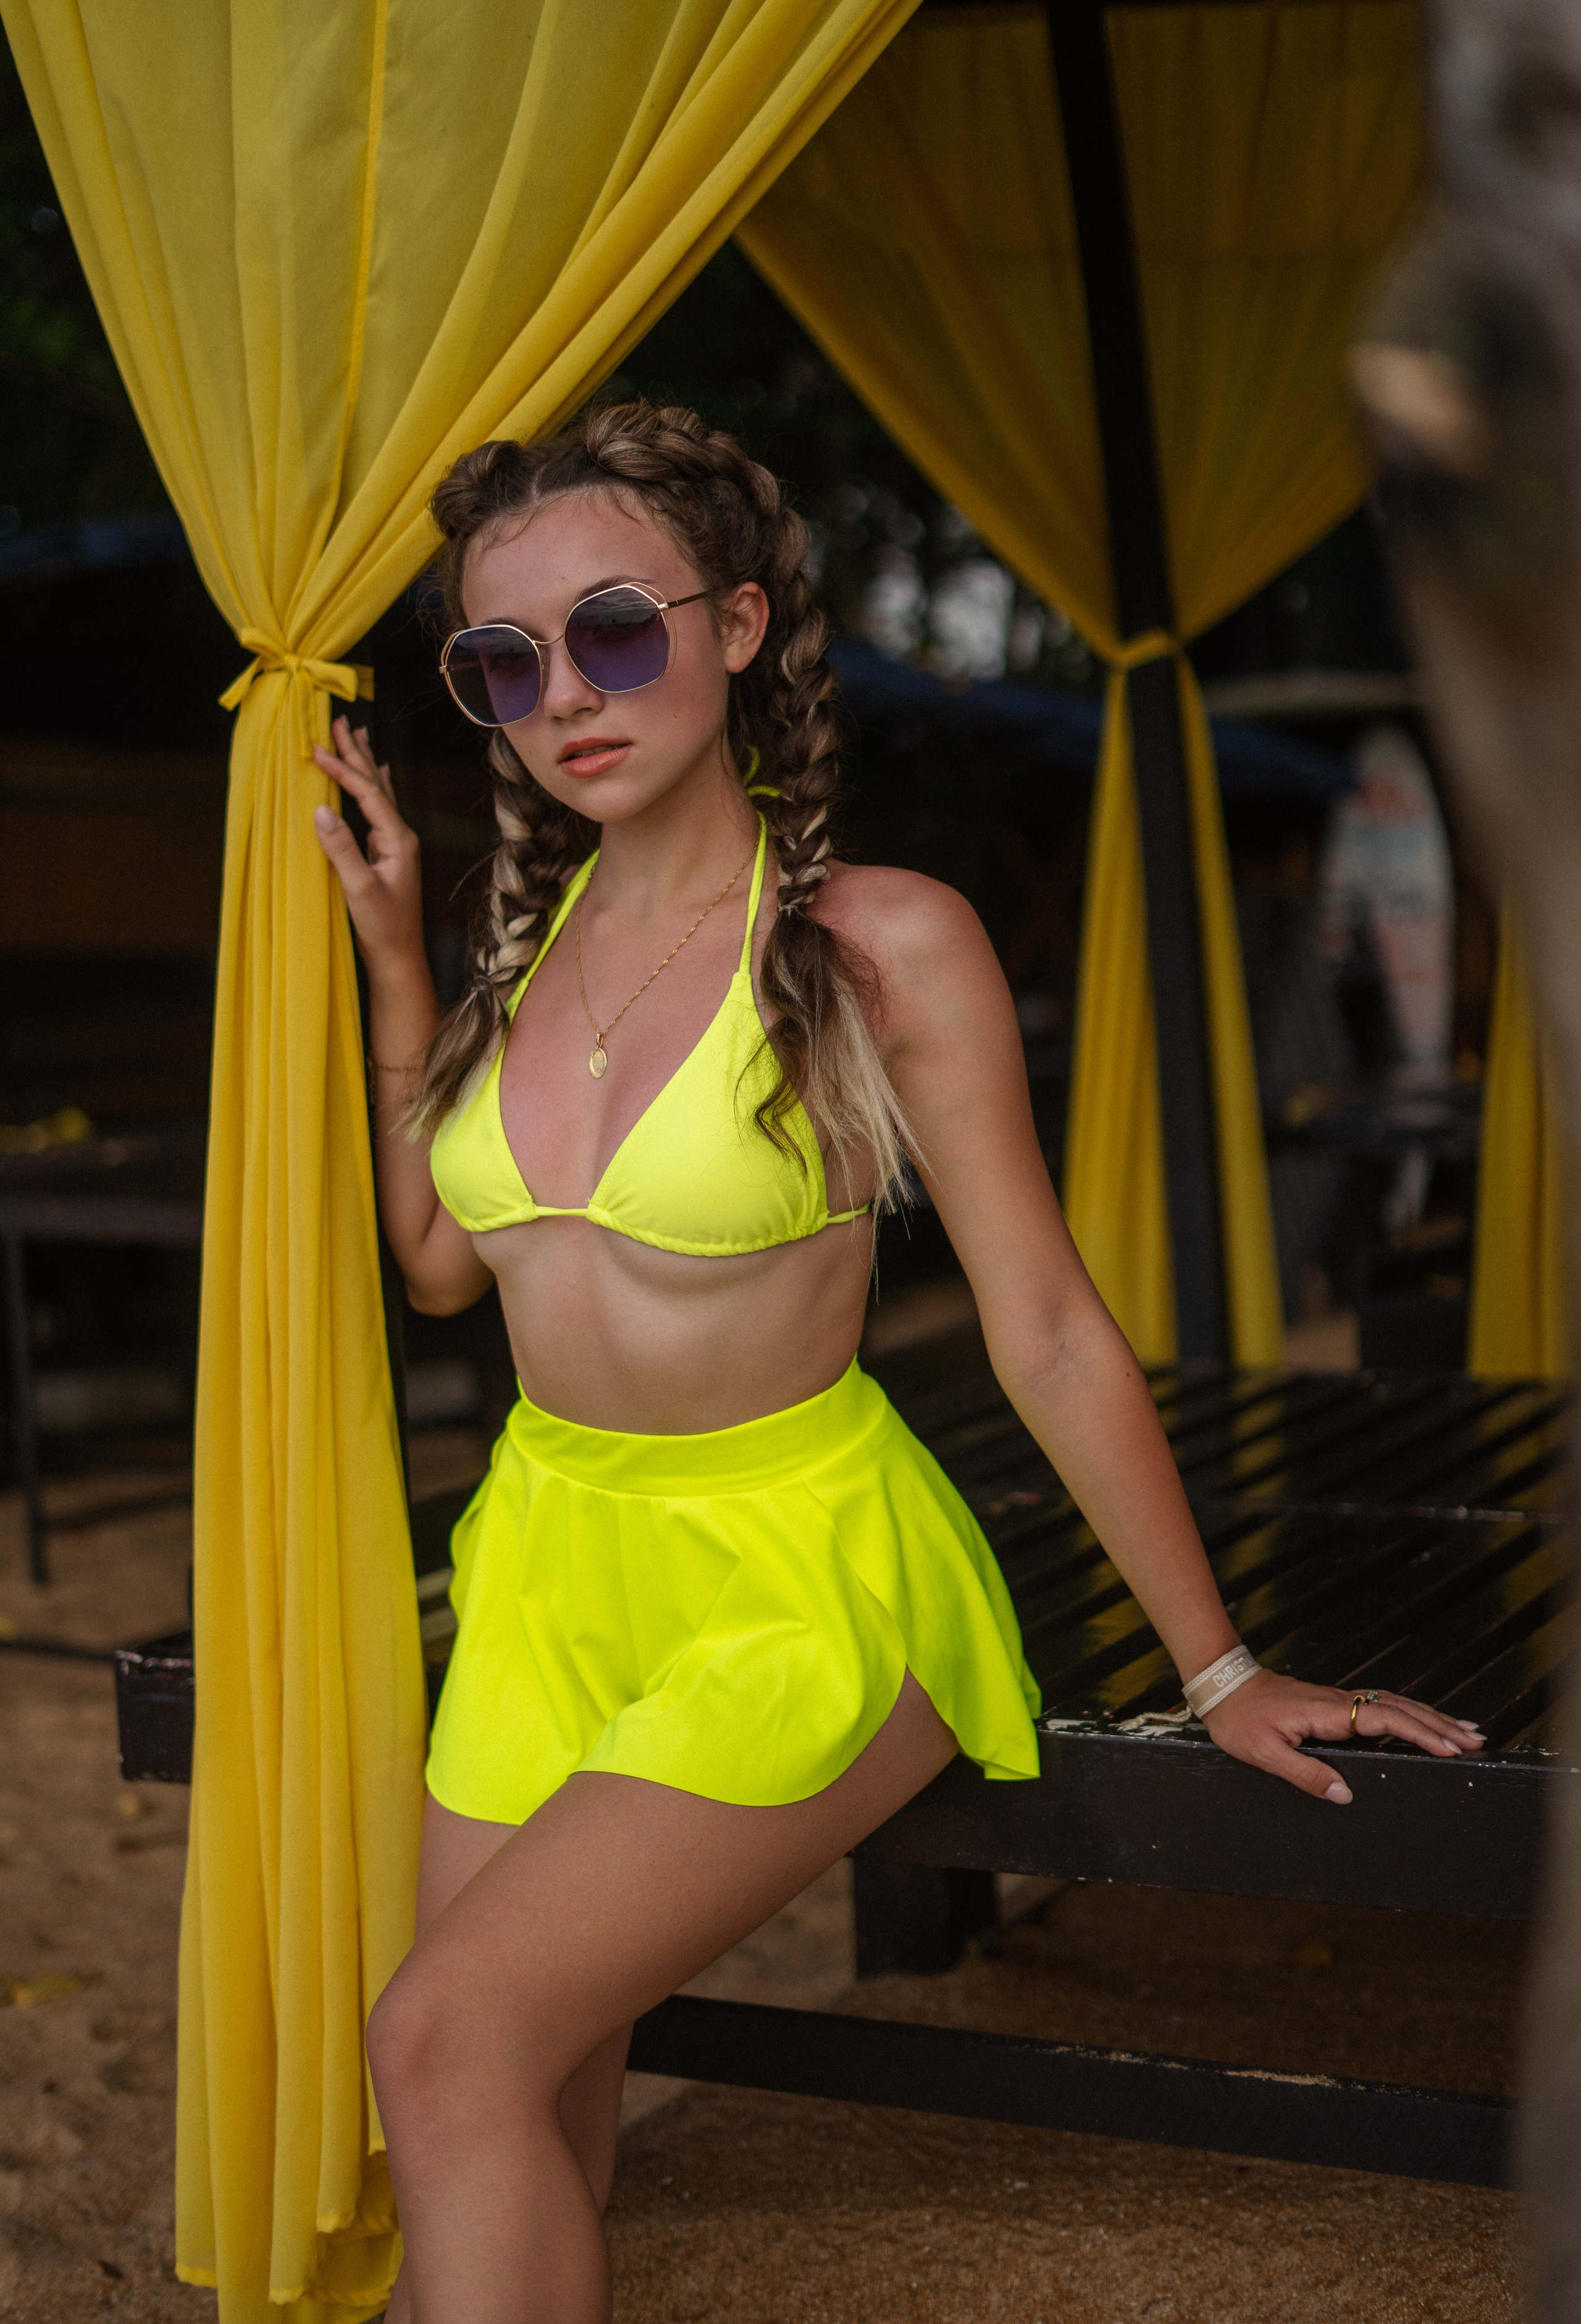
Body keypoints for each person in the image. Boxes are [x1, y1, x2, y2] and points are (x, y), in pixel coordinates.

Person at [312, 400, 1482, 2324]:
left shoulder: (877, 945)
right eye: (504, 663)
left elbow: (1043, 1322)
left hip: (801, 1575)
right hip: (544, 1575)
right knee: (511, 2103)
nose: (562, 698)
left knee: (437, 2039)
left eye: (617, 631)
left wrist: (1227, 1668)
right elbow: (444, 1271)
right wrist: (394, 974)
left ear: (744, 625)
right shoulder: (517, 953)